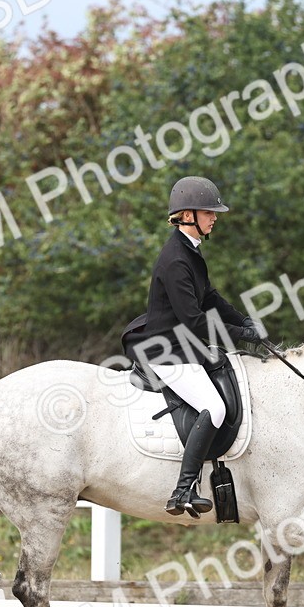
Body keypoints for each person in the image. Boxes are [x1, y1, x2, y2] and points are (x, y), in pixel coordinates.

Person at [121, 176, 261, 517]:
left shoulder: (190, 251)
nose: (215, 218)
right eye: (208, 212)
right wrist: (239, 334)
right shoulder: (175, 260)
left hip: (182, 344)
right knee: (214, 408)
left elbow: (210, 297)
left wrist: (243, 321)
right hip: (167, 350)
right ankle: (183, 489)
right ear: (187, 215)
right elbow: (194, 321)